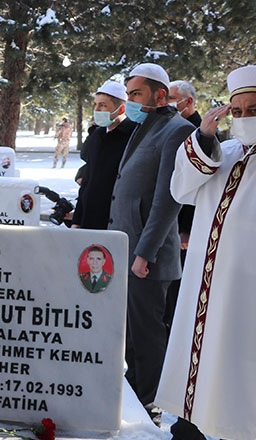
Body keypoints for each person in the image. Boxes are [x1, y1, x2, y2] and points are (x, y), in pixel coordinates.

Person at [155, 65, 256, 440]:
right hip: (205, 284)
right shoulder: (224, 151)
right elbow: (182, 188)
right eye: (238, 111)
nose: (244, 118)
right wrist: (205, 136)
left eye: (253, 110)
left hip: (244, 287)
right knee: (203, 367)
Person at [108, 63, 193, 423]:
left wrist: (145, 252)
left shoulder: (177, 129)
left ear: (161, 95)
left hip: (148, 255)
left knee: (147, 335)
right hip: (125, 248)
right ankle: (134, 395)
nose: (130, 102)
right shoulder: (145, 126)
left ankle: (150, 404)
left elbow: (166, 200)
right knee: (130, 335)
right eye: (128, 95)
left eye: (136, 94)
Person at [71, 81, 136, 230]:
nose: (97, 110)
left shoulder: (132, 136)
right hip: (90, 218)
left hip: (116, 220)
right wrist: (78, 219)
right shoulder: (97, 134)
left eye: (103, 105)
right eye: (95, 105)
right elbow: (87, 181)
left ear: (121, 109)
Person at [164, 80, 201, 335]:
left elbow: (196, 186)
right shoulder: (174, 126)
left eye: (173, 98)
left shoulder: (199, 131)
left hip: (184, 227)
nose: (168, 103)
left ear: (188, 102)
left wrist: (185, 228)